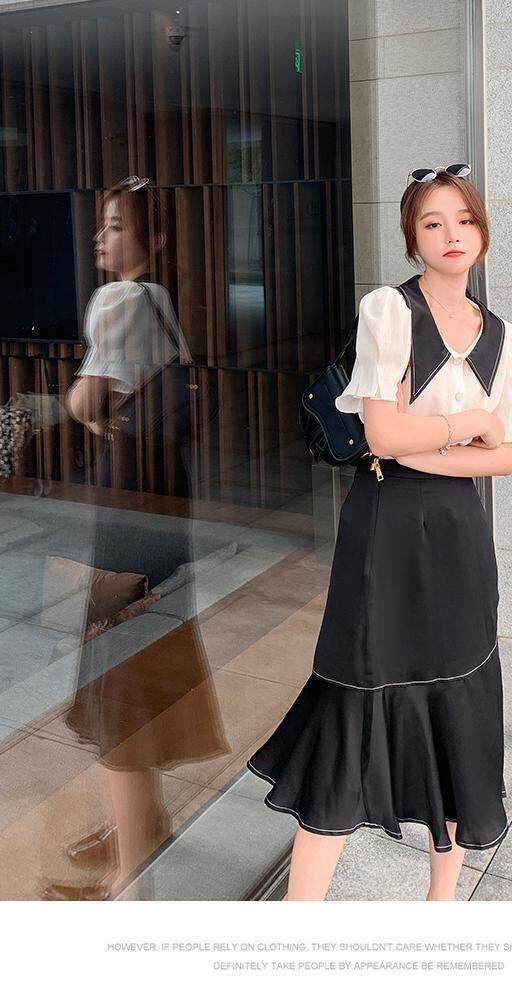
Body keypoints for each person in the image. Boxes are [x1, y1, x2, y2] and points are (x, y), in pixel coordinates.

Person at [246, 163, 512, 901]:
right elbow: (382, 435)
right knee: (355, 697)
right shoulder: (390, 312)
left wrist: (423, 442)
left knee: (461, 702)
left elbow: (504, 458)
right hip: (385, 530)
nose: (451, 235)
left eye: (463, 220)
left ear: (482, 232)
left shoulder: (509, 341)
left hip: (459, 538)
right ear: (412, 238)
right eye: (432, 223)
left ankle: (442, 905)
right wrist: (470, 423)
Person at [46, 177, 230, 901]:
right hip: (163, 507)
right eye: (102, 224)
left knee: (116, 681)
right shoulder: (160, 303)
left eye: (117, 225)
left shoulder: (119, 300)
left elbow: (85, 400)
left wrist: (78, 401)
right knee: (143, 661)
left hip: (126, 510)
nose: (102, 236)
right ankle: (140, 825)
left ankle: (131, 877)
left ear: (152, 239)